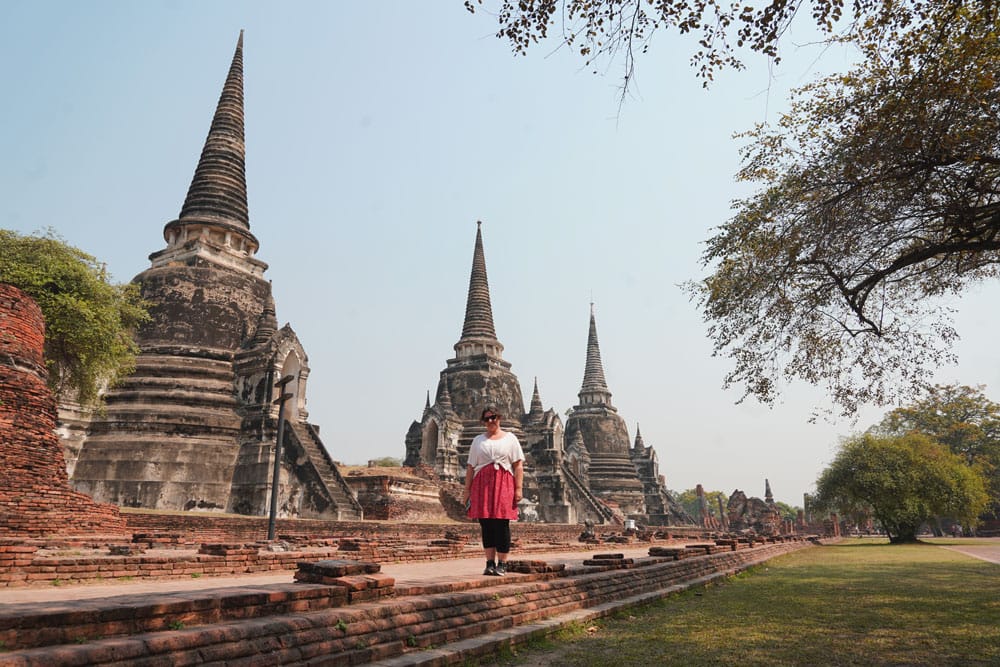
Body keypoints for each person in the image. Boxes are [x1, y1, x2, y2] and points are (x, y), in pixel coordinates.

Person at [462, 406, 524, 576]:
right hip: (482, 484)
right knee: (486, 524)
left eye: (493, 417)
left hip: (504, 482)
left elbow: (518, 466)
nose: (491, 421)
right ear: (483, 422)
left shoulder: (510, 439)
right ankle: (489, 562)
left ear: (500, 418)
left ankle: (502, 563)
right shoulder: (478, 440)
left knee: (501, 523)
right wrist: (467, 490)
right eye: (487, 418)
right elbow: (470, 467)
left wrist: (518, 488)